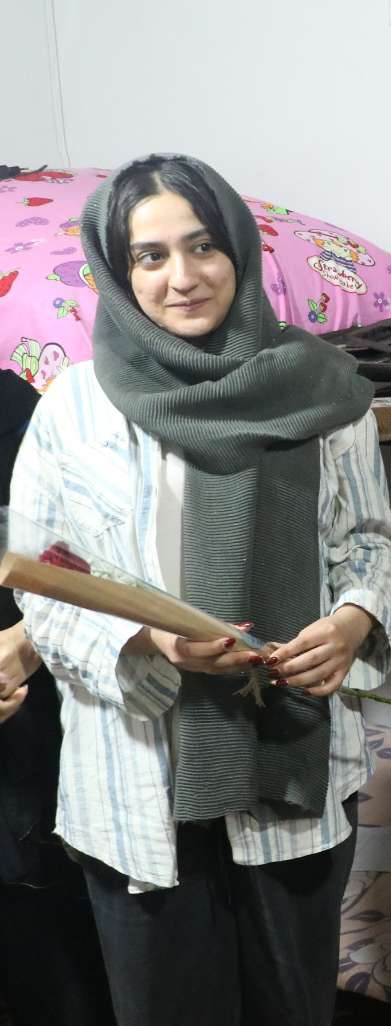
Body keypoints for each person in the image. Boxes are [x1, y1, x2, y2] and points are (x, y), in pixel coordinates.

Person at [9, 153, 391, 1026]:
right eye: (150, 256)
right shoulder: (72, 410)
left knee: (291, 1007)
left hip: (292, 764)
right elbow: (43, 587)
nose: (183, 277)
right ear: (117, 270)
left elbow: (372, 544)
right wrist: (149, 644)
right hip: (135, 780)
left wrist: (351, 620)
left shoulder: (325, 395)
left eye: (203, 246)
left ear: (239, 253)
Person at [1, 369, 117, 1026]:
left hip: (37, 748)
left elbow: (86, 569)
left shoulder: (23, 418)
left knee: (55, 951)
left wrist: (22, 646)